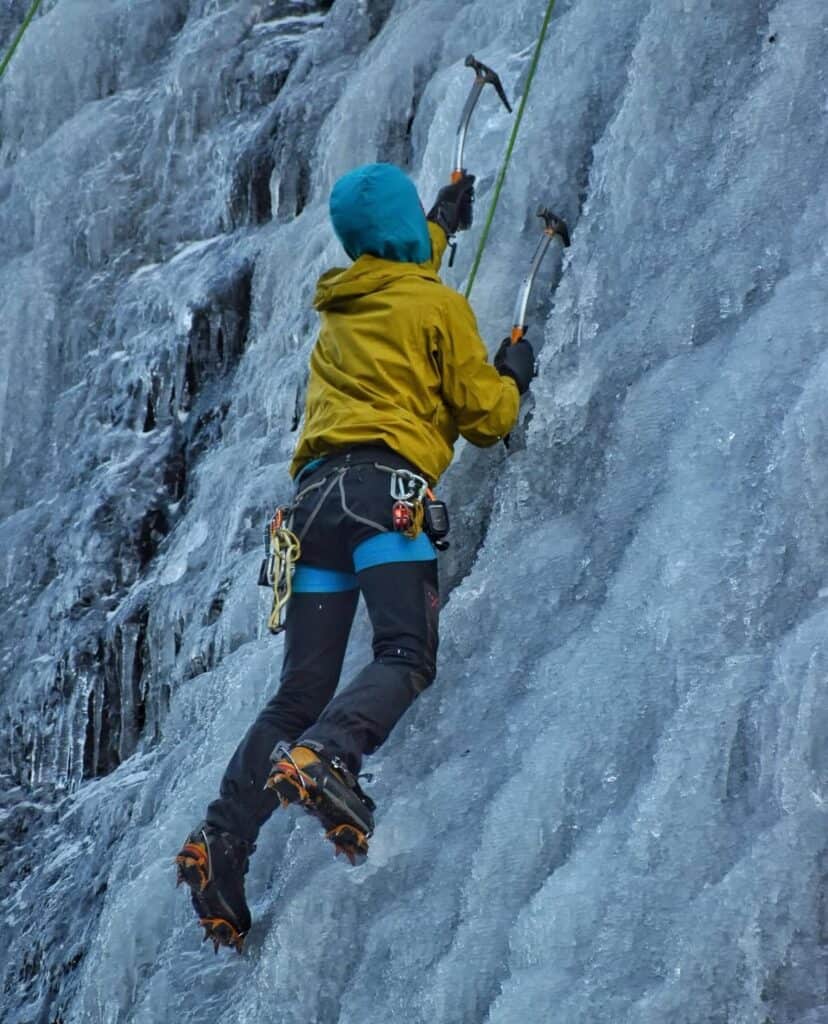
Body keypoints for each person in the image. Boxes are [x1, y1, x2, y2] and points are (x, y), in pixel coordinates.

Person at [175, 163, 535, 951]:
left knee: (299, 689)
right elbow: (485, 419)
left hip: (312, 511)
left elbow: (399, 271)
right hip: (385, 500)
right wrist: (512, 375)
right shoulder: (436, 304)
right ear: (406, 232)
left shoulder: (344, 308)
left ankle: (221, 843)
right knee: (405, 652)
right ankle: (328, 757)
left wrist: (440, 223)